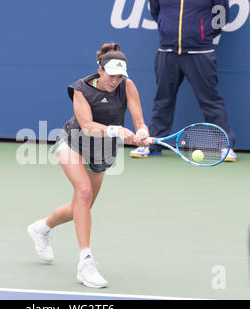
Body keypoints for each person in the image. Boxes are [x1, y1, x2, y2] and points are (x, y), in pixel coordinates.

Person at [27, 43, 149, 288]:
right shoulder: (81, 89)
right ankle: (85, 263)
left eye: (119, 76)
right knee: (83, 192)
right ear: (100, 70)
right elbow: (88, 126)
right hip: (73, 142)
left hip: (102, 150)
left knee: (80, 207)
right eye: (111, 75)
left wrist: (142, 131)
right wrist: (117, 130)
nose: (115, 81)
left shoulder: (128, 85)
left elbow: (138, 117)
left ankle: (41, 228)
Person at [131, 0, 237, 162]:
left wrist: (203, 33)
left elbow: (221, 16)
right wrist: (165, 27)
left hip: (201, 52)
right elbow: (155, 11)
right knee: (162, 101)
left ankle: (224, 146)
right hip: (167, 51)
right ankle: (153, 145)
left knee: (210, 101)